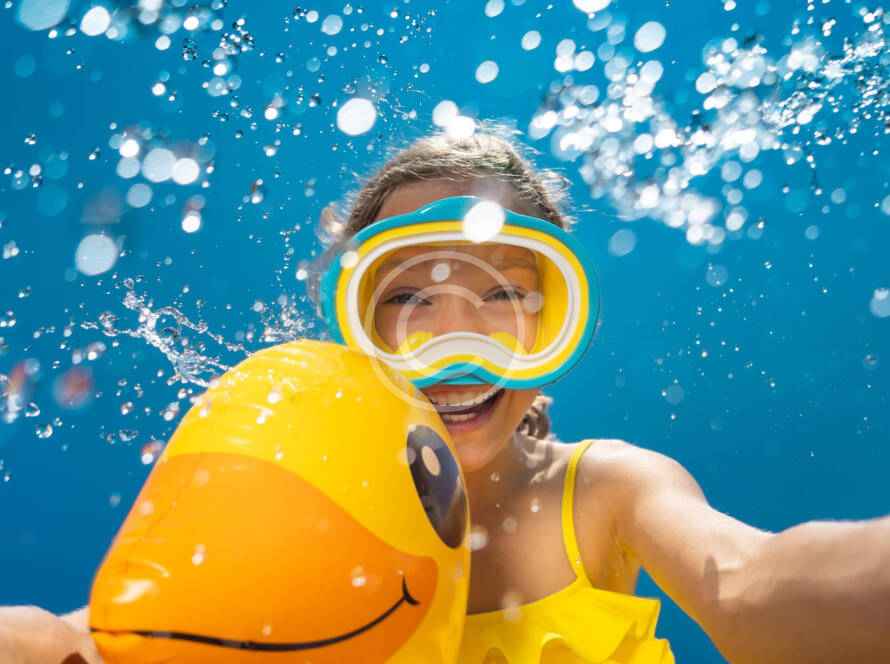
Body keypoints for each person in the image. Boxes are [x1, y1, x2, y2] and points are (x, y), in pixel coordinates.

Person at [4, 127, 889, 664]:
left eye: (502, 297)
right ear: (357, 327)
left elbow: (748, 584)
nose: (456, 346)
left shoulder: (602, 492)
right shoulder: (314, 498)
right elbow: (102, 637)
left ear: (551, 328)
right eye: (409, 299)